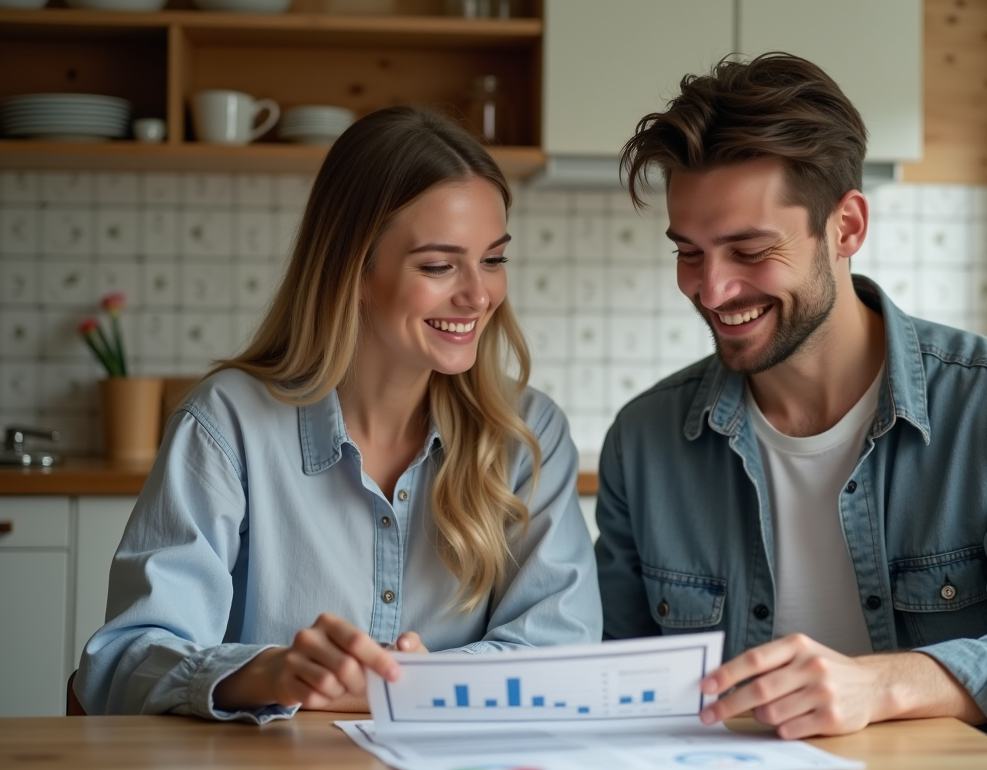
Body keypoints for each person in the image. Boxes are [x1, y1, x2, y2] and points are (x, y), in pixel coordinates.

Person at [594, 53, 987, 770]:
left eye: (749, 250)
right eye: (689, 252)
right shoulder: (645, 439)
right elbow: (612, 680)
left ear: (845, 227)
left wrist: (884, 684)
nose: (712, 289)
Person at [76, 107, 601, 721]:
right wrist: (262, 672)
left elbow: (562, 658)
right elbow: (122, 664)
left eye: (493, 259)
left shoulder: (526, 433)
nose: (478, 295)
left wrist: (403, 682)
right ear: (353, 270)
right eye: (438, 265)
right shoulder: (227, 423)